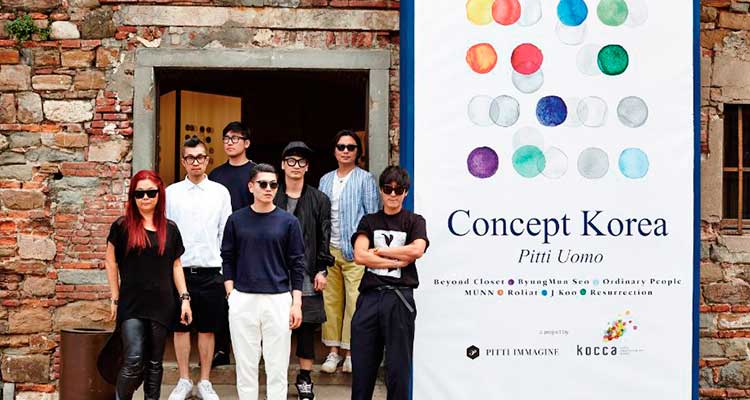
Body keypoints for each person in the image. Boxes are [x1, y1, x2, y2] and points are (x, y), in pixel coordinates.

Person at [103, 170, 193, 400]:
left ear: (159, 195)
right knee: (133, 360)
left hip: (162, 303)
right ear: (132, 196)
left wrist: (184, 299)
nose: (145, 197)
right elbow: (111, 262)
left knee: (154, 362)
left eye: (151, 193)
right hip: (131, 303)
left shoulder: (170, 229)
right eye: (139, 193)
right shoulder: (122, 226)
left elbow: (176, 265)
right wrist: (115, 297)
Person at [221, 163, 306, 400]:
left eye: (273, 184)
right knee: (245, 365)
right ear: (251, 186)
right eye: (263, 184)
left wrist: (296, 302)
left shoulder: (288, 222)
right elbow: (227, 258)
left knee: (277, 366)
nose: (269, 188)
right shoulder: (236, 220)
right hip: (243, 298)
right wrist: (231, 294)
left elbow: (297, 264)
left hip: (278, 299)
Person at [350, 166, 428, 400]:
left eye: (398, 189)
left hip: (399, 298)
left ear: (406, 192)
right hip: (370, 298)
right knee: (362, 368)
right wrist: (397, 260)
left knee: (398, 369)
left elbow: (417, 250)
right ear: (381, 190)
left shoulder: (414, 221)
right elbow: (360, 255)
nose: (393, 194)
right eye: (388, 189)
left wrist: (380, 251)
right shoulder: (369, 221)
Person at [166, 137, 232, 400]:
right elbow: (166, 233)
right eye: (190, 158)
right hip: (179, 270)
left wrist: (224, 270)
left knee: (207, 328)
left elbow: (225, 233)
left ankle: (205, 381)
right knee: (180, 327)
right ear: (183, 161)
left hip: (210, 270)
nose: (196, 162)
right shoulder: (171, 193)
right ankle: (184, 379)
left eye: (200, 157)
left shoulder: (220, 192)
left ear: (207, 160)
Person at [273, 141, 334, 400]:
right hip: (275, 269)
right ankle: (276, 376)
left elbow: (324, 236)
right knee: (276, 325)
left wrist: (322, 269)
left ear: (307, 167)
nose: (296, 166)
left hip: (307, 269)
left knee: (306, 325)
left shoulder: (319, 199)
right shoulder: (272, 194)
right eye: (291, 161)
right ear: (282, 165)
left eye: (301, 162)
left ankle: (305, 377)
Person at [318, 130, 380, 373]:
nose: (345, 151)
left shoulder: (365, 179)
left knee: (355, 302)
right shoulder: (325, 180)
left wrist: (365, 248)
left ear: (358, 152)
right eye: (341, 147)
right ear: (334, 150)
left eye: (351, 147)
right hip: (329, 251)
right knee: (330, 302)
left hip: (355, 251)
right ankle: (333, 352)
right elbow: (320, 216)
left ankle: (351, 352)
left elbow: (371, 216)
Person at [208, 121, 256, 367]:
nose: (229, 142)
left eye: (235, 138)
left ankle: (250, 350)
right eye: (226, 138)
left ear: (246, 143)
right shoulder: (216, 175)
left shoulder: (256, 173)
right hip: (221, 242)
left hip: (251, 242)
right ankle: (221, 348)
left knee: (249, 298)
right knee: (222, 296)